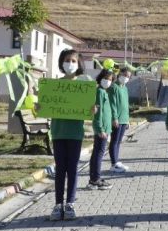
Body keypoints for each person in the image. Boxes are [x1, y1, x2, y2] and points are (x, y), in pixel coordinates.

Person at [40, 49, 95, 221]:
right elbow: (46, 107)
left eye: (73, 60)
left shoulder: (84, 85)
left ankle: (70, 203)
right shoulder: (54, 86)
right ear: (62, 63)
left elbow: (91, 109)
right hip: (58, 133)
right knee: (60, 170)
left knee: (72, 169)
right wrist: (39, 107)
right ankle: (58, 204)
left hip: (75, 134)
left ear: (78, 64)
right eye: (67, 60)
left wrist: (92, 109)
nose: (70, 63)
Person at [87, 69, 114, 190]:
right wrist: (100, 129)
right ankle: (95, 179)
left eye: (110, 79)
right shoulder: (100, 92)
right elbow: (98, 113)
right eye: (106, 78)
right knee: (99, 153)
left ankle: (94, 178)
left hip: (105, 129)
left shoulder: (103, 91)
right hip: (102, 129)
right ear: (100, 78)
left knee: (97, 153)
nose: (108, 81)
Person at [108, 67, 132, 173]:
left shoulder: (125, 88)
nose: (126, 78)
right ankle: (114, 163)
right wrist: (114, 118)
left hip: (124, 118)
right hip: (116, 119)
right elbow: (112, 104)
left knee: (118, 141)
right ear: (120, 74)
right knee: (114, 140)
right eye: (125, 75)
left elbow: (126, 105)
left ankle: (117, 161)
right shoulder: (114, 87)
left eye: (128, 76)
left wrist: (127, 119)